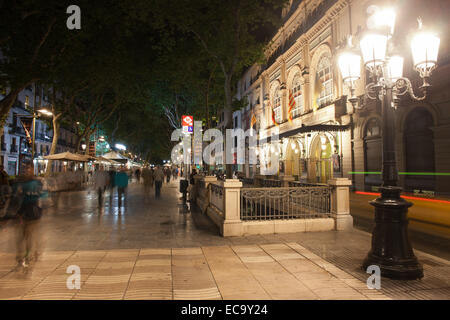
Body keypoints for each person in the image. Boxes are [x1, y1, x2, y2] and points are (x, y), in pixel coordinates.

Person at [14, 164, 44, 270]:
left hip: (32, 213)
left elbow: (38, 197)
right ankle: (24, 255)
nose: (27, 172)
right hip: (24, 213)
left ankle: (28, 255)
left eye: (29, 170)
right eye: (26, 170)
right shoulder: (22, 183)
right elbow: (18, 198)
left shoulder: (36, 183)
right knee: (22, 236)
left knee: (28, 236)